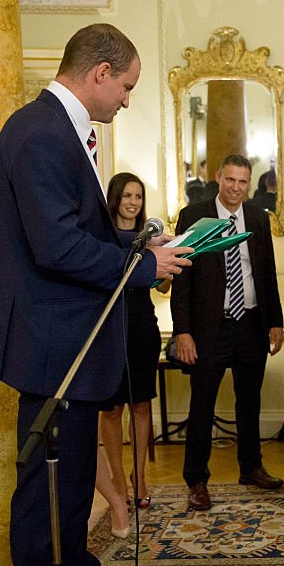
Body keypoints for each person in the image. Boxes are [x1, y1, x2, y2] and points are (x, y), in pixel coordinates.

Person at [0, 24, 192, 566]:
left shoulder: (57, 130)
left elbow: (73, 231)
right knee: (47, 496)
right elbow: (56, 246)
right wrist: (144, 268)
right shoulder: (39, 133)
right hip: (52, 347)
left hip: (70, 343)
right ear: (98, 72)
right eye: (125, 86)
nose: (126, 99)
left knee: (71, 494)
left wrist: (137, 248)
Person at [172, 154, 284, 511]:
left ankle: (251, 468)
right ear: (219, 178)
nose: (236, 188)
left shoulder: (256, 218)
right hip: (209, 328)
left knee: (249, 402)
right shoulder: (196, 217)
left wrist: (275, 321)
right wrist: (182, 332)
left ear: (249, 184)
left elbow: (266, 273)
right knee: (202, 405)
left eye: (243, 182)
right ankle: (196, 480)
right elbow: (180, 278)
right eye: (230, 180)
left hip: (251, 323)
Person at [98, 173, 166, 515]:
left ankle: (139, 479)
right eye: (127, 195)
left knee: (140, 404)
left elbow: (164, 287)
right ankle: (118, 481)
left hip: (142, 328)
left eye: (138, 196)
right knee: (111, 409)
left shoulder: (150, 238)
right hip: (108, 328)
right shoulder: (101, 236)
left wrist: (168, 261)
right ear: (115, 198)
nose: (133, 202)